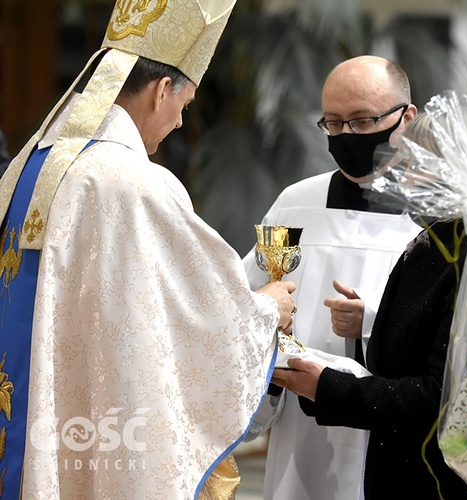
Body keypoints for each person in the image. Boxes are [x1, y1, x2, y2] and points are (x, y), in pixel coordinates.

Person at [0, 1, 296, 498]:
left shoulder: (35, 166)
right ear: (162, 91)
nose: (181, 122)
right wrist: (267, 309)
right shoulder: (133, 184)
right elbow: (198, 327)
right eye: (184, 105)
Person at [271, 112, 467, 500]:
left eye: (411, 164)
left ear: (456, 170)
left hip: (453, 487)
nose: (396, 177)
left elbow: (443, 399)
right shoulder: (435, 242)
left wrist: (329, 388)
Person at [242, 55, 421, 500]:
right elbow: (253, 289)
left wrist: (373, 320)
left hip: (394, 425)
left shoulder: (434, 215)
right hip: (302, 427)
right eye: (334, 123)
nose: (347, 137)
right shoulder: (293, 204)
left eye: (362, 121)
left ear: (407, 118)